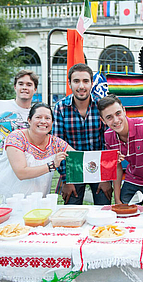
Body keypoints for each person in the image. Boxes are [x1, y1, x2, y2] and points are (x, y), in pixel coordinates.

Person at [0, 103, 74, 198]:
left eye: (47, 118)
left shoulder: (56, 143)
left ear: (52, 123)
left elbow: (79, 158)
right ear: (29, 120)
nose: (43, 121)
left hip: (32, 201)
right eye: (38, 117)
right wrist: (52, 165)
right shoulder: (16, 137)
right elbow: (21, 173)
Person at [53, 63, 112, 205]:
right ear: (69, 83)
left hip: (99, 167)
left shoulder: (101, 105)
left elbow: (108, 142)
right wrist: (66, 179)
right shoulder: (60, 107)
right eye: (76, 81)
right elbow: (58, 144)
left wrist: (105, 177)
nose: (81, 86)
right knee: (71, 212)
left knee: (103, 211)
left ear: (92, 83)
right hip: (73, 168)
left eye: (86, 81)